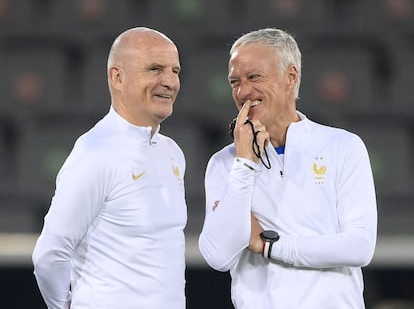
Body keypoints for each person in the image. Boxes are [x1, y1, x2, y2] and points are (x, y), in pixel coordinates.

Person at [198, 28, 377, 308]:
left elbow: (360, 246)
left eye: (254, 77)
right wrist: (245, 163)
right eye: (235, 81)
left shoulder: (342, 146)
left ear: (290, 77)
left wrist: (270, 246)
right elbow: (218, 256)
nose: (243, 92)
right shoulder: (225, 163)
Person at [32, 27, 187, 309]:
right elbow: (50, 254)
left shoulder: (172, 153)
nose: (169, 81)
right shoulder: (95, 153)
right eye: (155, 69)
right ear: (118, 77)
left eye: (175, 71)